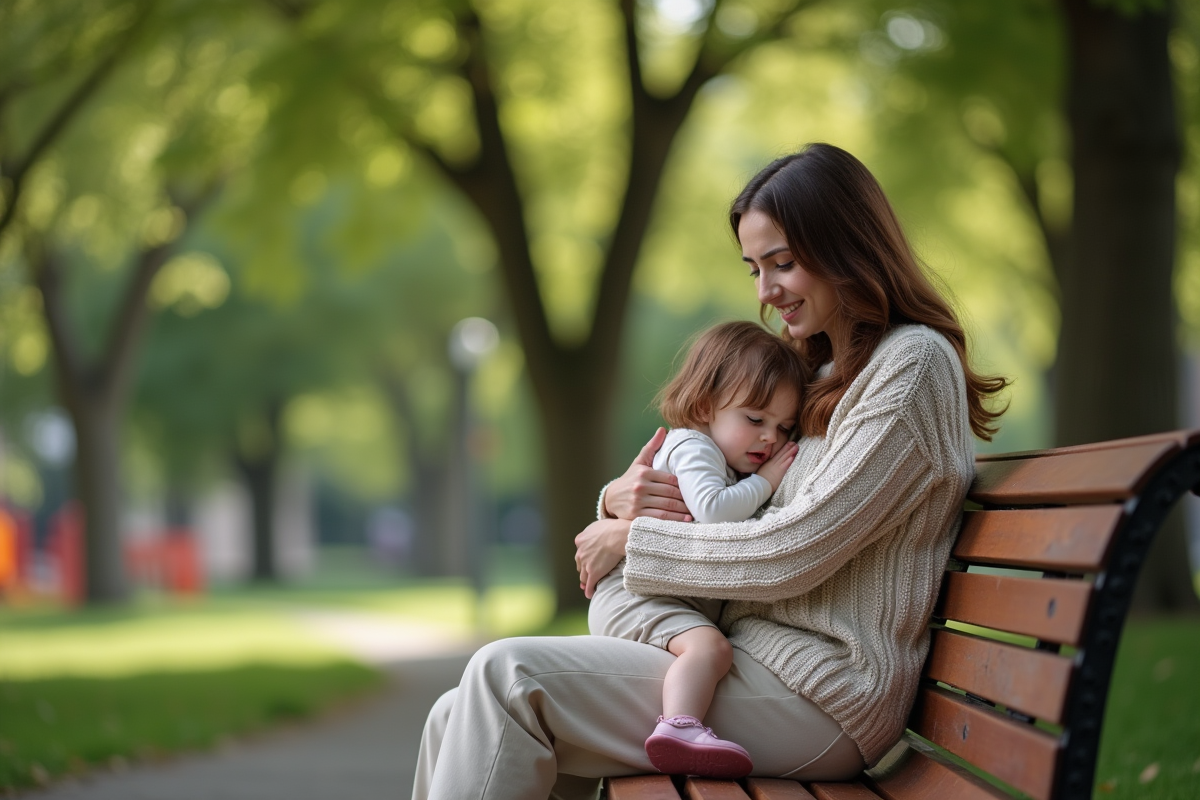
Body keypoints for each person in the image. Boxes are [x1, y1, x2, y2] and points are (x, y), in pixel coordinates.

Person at [412, 143, 1008, 800]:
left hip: (823, 694)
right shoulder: (815, 372)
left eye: (783, 262)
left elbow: (797, 547)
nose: (765, 290)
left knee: (507, 677)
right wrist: (619, 502)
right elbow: (714, 478)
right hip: (752, 666)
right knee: (456, 712)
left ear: (848, 247)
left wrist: (632, 542)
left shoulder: (910, 367)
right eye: (755, 267)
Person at [588, 320, 808, 778]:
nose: (770, 438)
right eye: (755, 419)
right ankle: (679, 728)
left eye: (784, 427)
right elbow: (712, 512)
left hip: (655, 597)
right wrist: (767, 483)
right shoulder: (695, 447)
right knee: (711, 649)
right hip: (635, 596)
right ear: (706, 405)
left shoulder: (720, 456)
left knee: (708, 649)